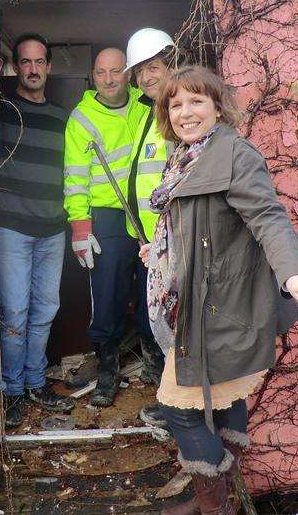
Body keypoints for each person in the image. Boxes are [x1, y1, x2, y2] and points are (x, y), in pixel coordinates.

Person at [139, 67, 298, 515]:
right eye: (176, 104)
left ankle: (214, 500)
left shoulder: (234, 154)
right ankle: (222, 493)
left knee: (178, 409)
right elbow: (197, 226)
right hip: (196, 303)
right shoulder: (186, 157)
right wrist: (163, 250)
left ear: (217, 105)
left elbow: (268, 217)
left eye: (196, 101)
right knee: (226, 401)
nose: (185, 112)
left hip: (222, 306)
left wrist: (293, 274)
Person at [0, 33, 75, 427]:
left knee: (45, 310)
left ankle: (36, 383)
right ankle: (11, 391)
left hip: (52, 229)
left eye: (39, 62)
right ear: (15, 67)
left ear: (48, 67)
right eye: (25, 62)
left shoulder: (63, 118)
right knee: (14, 312)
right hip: (12, 228)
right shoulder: (0, 112)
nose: (32, 69)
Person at [63, 47, 151, 406]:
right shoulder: (81, 119)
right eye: (102, 72)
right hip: (107, 216)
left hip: (147, 212)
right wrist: (80, 226)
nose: (110, 79)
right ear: (93, 75)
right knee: (109, 294)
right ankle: (107, 371)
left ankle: (156, 367)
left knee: (152, 291)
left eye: (117, 71)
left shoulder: (147, 107)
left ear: (128, 73)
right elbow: (74, 177)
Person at [123, 28, 177, 426]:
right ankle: (172, 400)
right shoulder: (148, 113)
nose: (146, 77)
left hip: (176, 245)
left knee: (176, 325)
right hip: (151, 242)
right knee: (157, 321)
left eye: (153, 67)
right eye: (140, 71)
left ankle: (180, 408)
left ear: (171, 63)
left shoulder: (180, 113)